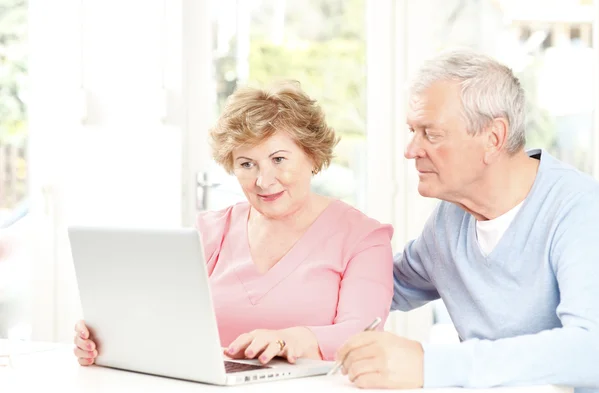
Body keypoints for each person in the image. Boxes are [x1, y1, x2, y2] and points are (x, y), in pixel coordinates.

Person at [336, 49, 599, 393]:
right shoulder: (451, 219)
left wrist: (429, 365)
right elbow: (385, 285)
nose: (411, 150)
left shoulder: (580, 209)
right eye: (413, 131)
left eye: (431, 134)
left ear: (493, 138)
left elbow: (591, 349)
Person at [73, 81, 394, 366]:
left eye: (278, 159)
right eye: (247, 164)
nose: (263, 180)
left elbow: (364, 334)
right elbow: (164, 320)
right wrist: (109, 339)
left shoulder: (363, 237)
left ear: (312, 154)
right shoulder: (212, 231)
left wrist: (290, 340)